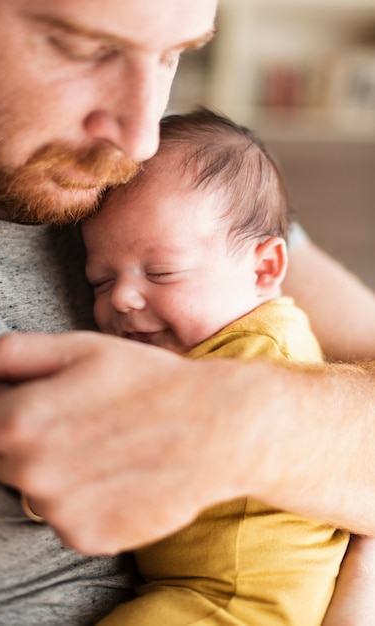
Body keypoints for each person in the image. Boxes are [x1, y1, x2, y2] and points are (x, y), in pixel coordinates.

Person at [0, 0, 374, 624]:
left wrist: (227, 423)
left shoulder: (185, 184)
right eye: (81, 47)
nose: (141, 135)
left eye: (173, 54)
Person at [81, 108, 349, 626]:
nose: (124, 297)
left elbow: (135, 441)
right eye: (98, 279)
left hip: (233, 605)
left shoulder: (262, 353)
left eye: (161, 272)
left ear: (265, 267)